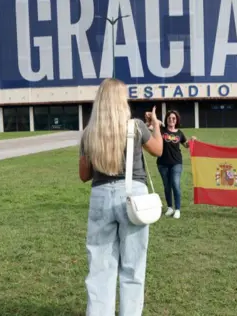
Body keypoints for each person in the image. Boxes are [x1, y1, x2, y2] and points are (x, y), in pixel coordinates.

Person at [78, 79, 163, 316]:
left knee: (100, 267)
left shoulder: (89, 133)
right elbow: (158, 149)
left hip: (101, 196)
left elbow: (84, 175)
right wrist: (155, 125)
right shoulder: (135, 126)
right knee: (133, 266)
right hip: (133, 196)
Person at [156, 110, 196, 219]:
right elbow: (152, 126)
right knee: (167, 186)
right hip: (162, 163)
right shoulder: (161, 130)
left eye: (173, 118)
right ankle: (170, 207)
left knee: (175, 184)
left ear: (176, 120)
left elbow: (186, 145)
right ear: (166, 119)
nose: (171, 120)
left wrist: (191, 141)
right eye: (169, 118)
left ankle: (177, 209)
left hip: (176, 163)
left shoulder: (179, 133)